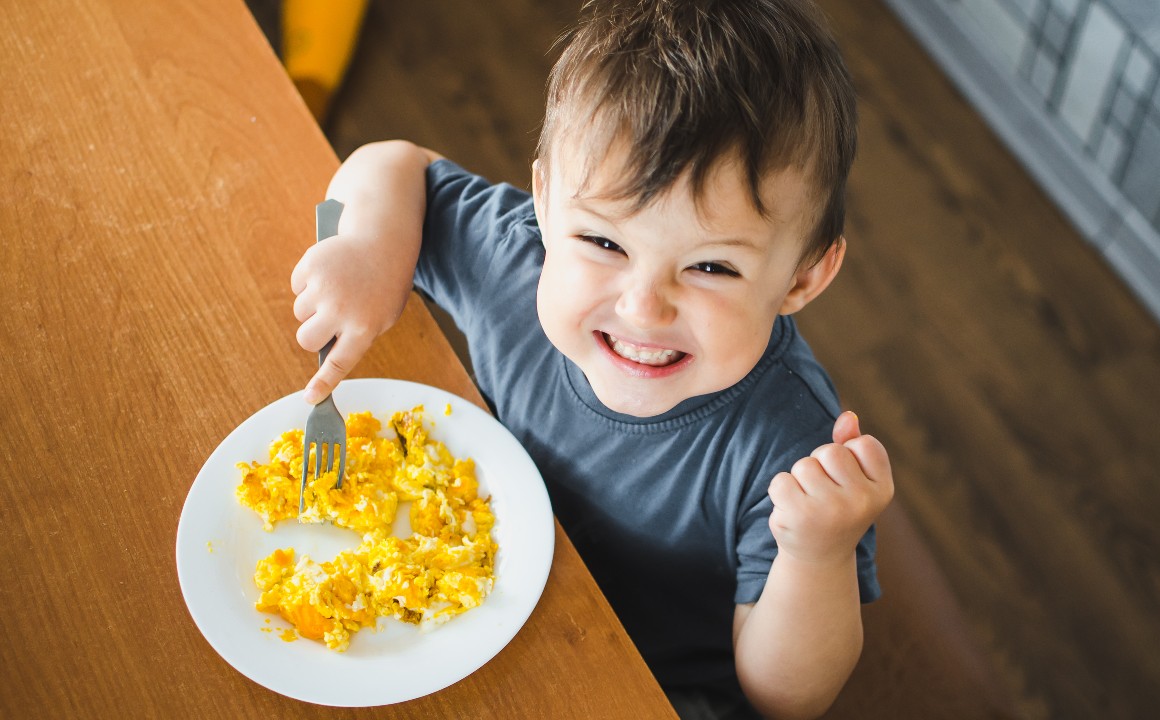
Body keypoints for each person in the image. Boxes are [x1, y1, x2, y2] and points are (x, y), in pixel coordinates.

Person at [289, 1, 894, 717]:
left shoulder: (790, 449)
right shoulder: (517, 258)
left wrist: (817, 555)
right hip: (477, 595)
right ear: (544, 201)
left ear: (801, 279)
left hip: (650, 680)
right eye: (605, 244)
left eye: (710, 268)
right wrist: (368, 249)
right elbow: (393, 164)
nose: (643, 308)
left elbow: (786, 698)